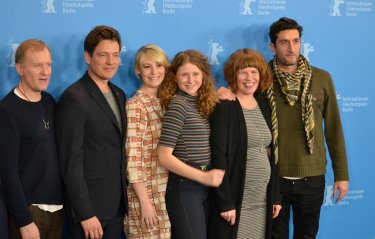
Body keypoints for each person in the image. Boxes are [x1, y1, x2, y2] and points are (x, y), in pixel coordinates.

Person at [218, 17, 349, 239]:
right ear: (272, 46)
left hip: (312, 177)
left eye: (296, 41)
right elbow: (238, 96)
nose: (291, 48)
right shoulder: (262, 79)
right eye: (284, 42)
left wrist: (342, 175)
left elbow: (334, 129)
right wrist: (217, 93)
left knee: (306, 235)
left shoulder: (322, 78)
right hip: (274, 178)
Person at [56, 26, 128, 239]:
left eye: (115, 55)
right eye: (103, 55)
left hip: (116, 207)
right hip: (90, 212)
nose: (110, 61)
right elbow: (71, 161)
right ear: (88, 57)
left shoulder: (119, 93)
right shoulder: (74, 97)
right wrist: (84, 213)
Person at [208, 49, 282, 239]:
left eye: (254, 72)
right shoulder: (224, 107)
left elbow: (271, 154)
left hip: (262, 198)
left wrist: (275, 196)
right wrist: (225, 202)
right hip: (237, 198)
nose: (249, 78)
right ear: (234, 75)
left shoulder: (263, 104)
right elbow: (218, 157)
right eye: (243, 72)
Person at [157, 50, 225, 239]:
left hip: (202, 186)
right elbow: (164, 156)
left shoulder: (200, 102)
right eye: (184, 74)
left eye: (195, 74)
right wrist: (203, 177)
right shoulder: (179, 105)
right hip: (185, 187)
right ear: (175, 77)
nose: (190, 80)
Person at [0, 39, 64, 239]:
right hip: (30, 212)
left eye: (49, 64)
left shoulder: (49, 102)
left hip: (57, 210)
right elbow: (7, 172)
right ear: (20, 69)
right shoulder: (8, 110)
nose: (46, 72)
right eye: (37, 66)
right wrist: (24, 221)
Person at [124, 44, 171, 238]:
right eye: (147, 66)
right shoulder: (136, 106)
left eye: (159, 66)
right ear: (137, 70)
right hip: (146, 198)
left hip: (165, 194)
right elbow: (132, 159)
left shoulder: (166, 103)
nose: (154, 72)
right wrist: (145, 203)